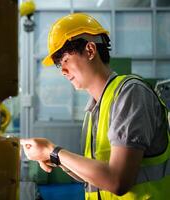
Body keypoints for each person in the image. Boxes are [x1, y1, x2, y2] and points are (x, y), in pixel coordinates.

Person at [20, 13, 170, 199]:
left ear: (90, 50)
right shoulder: (94, 110)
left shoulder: (130, 93)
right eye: (60, 65)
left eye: (65, 59)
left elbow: (117, 181)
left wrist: (53, 152)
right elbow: (94, 178)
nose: (63, 71)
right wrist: (53, 158)